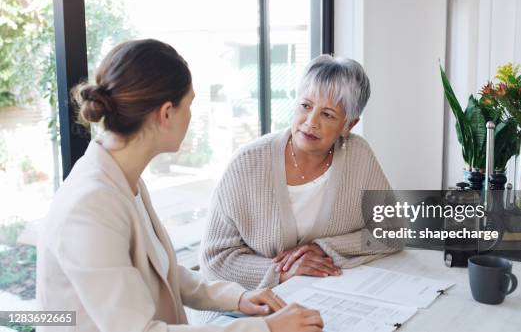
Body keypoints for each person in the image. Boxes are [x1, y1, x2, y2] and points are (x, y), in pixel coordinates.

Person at [36, 39, 323, 332]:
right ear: (166, 113)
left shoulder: (124, 177)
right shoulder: (89, 206)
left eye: (329, 114)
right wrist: (267, 326)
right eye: (190, 104)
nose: (313, 122)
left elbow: (161, 271)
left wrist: (239, 298)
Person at [200, 55, 403, 297]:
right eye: (305, 106)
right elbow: (214, 260)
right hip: (248, 306)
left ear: (348, 124)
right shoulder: (248, 162)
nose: (310, 122)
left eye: (327, 114)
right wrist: (283, 271)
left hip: (325, 295)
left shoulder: (358, 154)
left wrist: (323, 248)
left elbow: (394, 230)